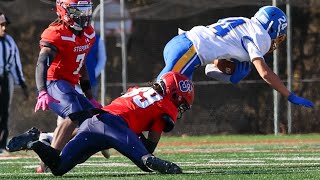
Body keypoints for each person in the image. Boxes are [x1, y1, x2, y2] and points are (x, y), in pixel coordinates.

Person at [7, 71, 194, 176]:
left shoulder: (139, 89)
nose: (179, 108)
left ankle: (34, 141)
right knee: (145, 161)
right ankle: (170, 169)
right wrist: (139, 147)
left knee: (58, 167)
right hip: (114, 124)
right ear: (174, 95)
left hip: (93, 120)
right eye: (181, 103)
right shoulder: (165, 105)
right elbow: (150, 147)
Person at [157, 6, 314, 108]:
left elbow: (211, 68)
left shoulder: (244, 24)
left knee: (171, 105)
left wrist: (230, 78)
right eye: (277, 36)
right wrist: (289, 94)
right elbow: (265, 72)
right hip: (189, 51)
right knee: (156, 97)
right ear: (272, 30)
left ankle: (143, 145)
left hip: (184, 48)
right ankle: (133, 135)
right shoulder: (259, 35)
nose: (275, 42)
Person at [34, 0, 102, 172]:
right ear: (63, 11)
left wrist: (90, 98)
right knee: (74, 114)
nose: (83, 16)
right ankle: (49, 161)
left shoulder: (88, 33)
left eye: (85, 11)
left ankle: (48, 141)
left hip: (69, 85)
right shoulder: (56, 33)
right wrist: (42, 91)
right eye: (78, 11)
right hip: (52, 82)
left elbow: (82, 65)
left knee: (95, 119)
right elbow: (42, 63)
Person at [0, 12, 28, 154]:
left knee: (4, 112)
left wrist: (22, 84)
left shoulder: (9, 41)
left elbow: (16, 64)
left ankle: (2, 144)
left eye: (4, 25)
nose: (3, 28)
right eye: (1, 25)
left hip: (5, 78)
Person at [85, 33, 107, 100]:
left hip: (91, 82)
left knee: (91, 105)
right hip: (72, 82)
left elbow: (102, 59)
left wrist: (92, 74)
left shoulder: (97, 39)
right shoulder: (70, 37)